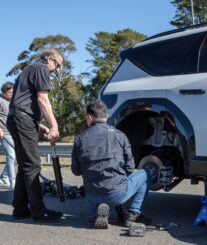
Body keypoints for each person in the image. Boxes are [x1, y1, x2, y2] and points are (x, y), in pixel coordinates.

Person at [71, 100, 151, 229]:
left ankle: (97, 212)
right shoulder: (120, 135)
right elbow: (130, 167)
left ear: (89, 117)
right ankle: (134, 213)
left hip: (91, 195)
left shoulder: (80, 138)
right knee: (146, 173)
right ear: (106, 117)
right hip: (116, 194)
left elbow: (76, 171)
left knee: (97, 187)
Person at [7, 48, 64, 221]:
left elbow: (21, 102)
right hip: (22, 119)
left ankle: (20, 208)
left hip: (18, 118)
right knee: (33, 165)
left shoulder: (29, 70)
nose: (57, 70)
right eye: (58, 64)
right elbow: (42, 99)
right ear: (49, 59)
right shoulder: (41, 68)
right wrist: (54, 125)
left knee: (25, 166)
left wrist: (39, 125)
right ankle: (39, 211)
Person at [0, 82, 16, 190]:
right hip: (5, 133)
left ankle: (4, 177)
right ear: (5, 92)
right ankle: (13, 183)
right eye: (10, 92)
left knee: (16, 158)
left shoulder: (12, 102)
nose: (12, 94)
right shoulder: (0, 101)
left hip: (13, 133)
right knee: (11, 157)